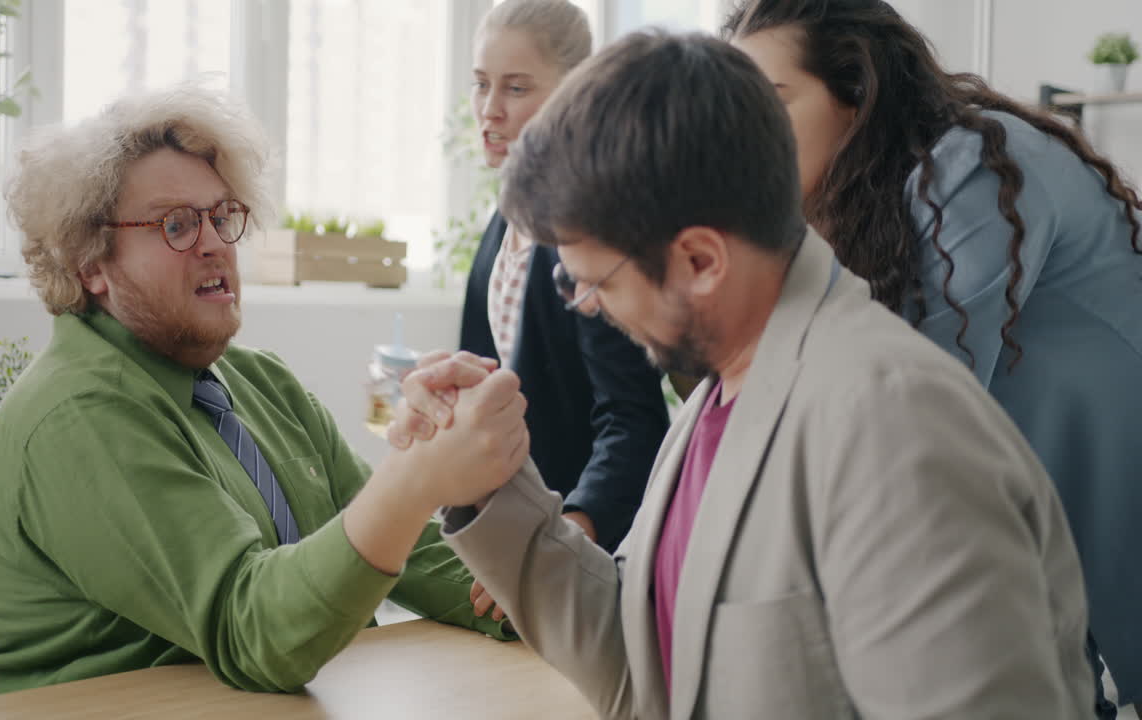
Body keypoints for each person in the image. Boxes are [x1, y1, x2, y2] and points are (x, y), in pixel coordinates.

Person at [391, 30, 1094, 718]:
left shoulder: (895, 427)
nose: (591, 307)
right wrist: (488, 484)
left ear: (700, 262)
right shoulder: (717, 399)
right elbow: (643, 664)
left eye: (594, 282)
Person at [0, 84, 528, 694]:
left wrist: (530, 588)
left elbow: (410, 554)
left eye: (222, 215)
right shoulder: (76, 416)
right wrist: (412, 479)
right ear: (90, 264)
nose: (212, 243)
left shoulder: (260, 382)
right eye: (175, 223)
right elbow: (252, 629)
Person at [723, 2, 1142, 715]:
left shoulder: (972, 167)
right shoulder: (861, 205)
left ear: (857, 90)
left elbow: (896, 418)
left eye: (769, 105)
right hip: (1054, 533)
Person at [458, 0, 670, 553]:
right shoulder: (504, 222)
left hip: (585, 550)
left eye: (517, 88)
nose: (490, 110)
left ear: (576, 91)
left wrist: (576, 531)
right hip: (517, 538)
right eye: (481, 85)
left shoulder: (595, 231)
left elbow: (632, 418)